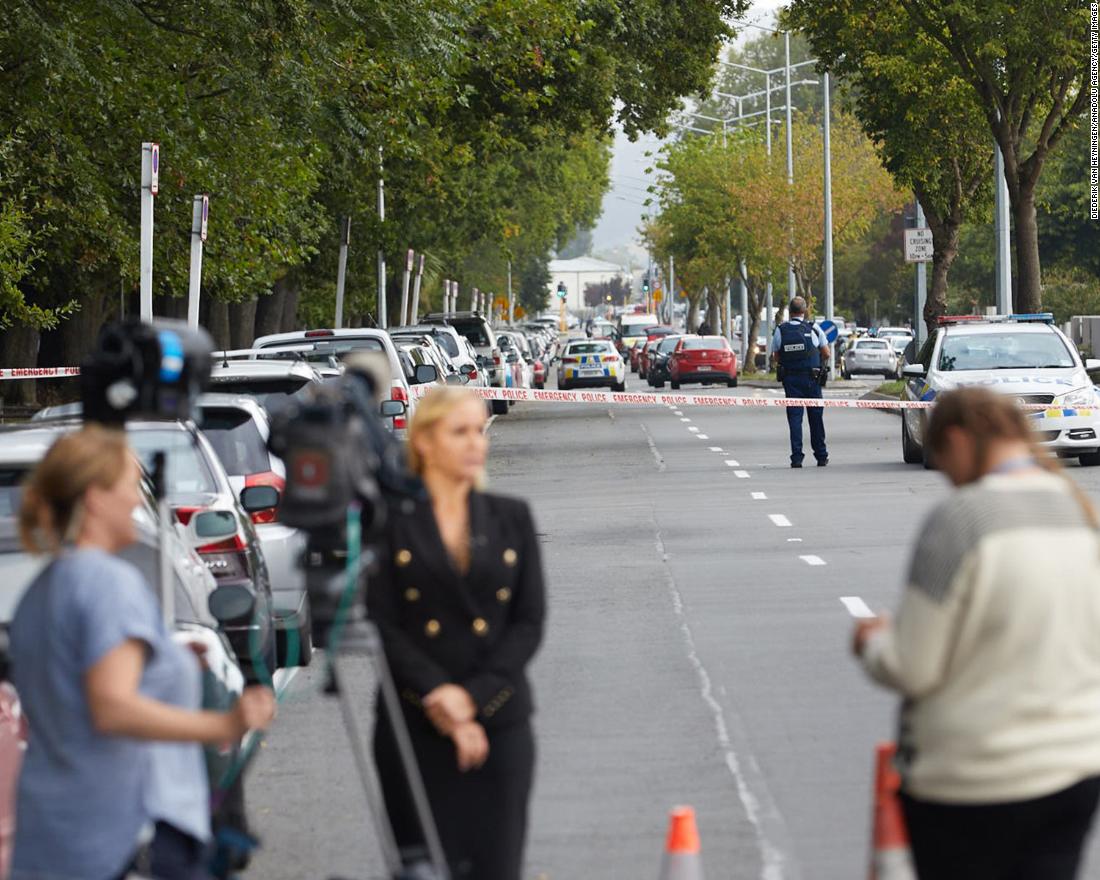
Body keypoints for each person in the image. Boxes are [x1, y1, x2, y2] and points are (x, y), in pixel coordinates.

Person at [852, 387, 1100, 880]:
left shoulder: (961, 521)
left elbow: (913, 667)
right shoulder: (1077, 512)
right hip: (1073, 769)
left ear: (959, 440)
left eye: (939, 459)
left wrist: (872, 643)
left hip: (974, 777)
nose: (944, 476)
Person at [9, 426, 276, 880]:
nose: (138, 501)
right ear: (95, 498)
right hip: (127, 836)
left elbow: (72, 685)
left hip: (52, 835)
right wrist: (225, 723)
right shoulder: (108, 581)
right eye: (130, 486)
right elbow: (111, 707)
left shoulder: (41, 588)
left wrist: (164, 663)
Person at [368, 386, 546, 880]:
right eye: (459, 432)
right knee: (424, 866)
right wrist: (440, 697)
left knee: (497, 865)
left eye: (478, 431)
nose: (475, 443)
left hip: (500, 721)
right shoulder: (390, 522)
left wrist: (470, 701)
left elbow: (528, 623)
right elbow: (383, 624)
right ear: (424, 442)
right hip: (413, 723)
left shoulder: (511, 517)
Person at [772, 296, 830, 468]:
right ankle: (821, 455)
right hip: (812, 380)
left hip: (791, 381)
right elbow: (826, 353)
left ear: (790, 312)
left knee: (795, 419)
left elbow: (776, 356)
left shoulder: (780, 330)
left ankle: (797, 457)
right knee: (816, 418)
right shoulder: (814, 328)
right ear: (804, 311)